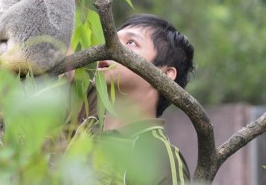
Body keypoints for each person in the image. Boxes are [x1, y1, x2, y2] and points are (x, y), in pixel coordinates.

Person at [79, 13, 196, 184]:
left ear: (164, 74)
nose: (109, 47)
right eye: (110, 39)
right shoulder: (84, 123)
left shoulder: (159, 157)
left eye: (131, 42)